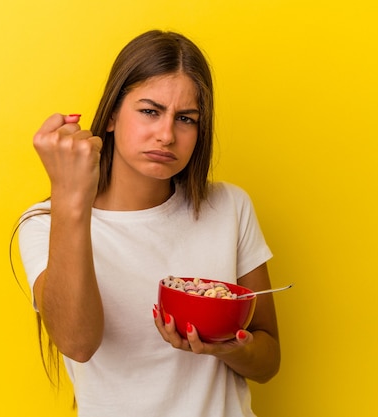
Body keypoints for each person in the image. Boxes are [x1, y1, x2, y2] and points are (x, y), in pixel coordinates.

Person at [17, 29, 280, 417]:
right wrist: (70, 196)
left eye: (186, 119)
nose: (167, 135)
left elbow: (269, 361)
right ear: (109, 117)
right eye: (150, 111)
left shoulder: (229, 206)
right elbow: (77, 343)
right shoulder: (43, 224)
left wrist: (228, 346)